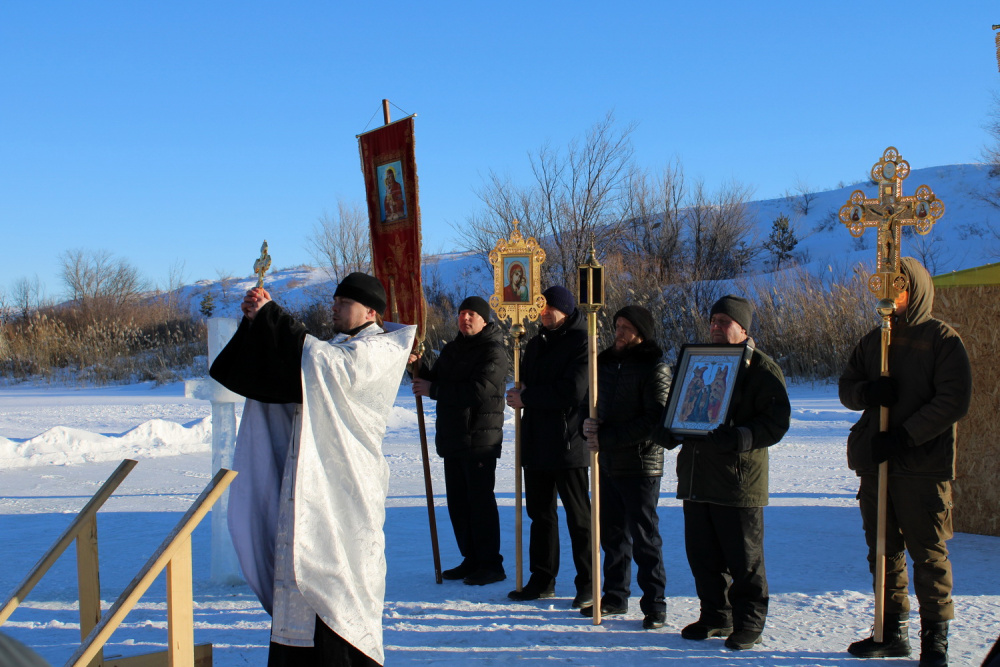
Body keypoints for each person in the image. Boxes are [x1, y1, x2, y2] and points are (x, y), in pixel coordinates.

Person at [209, 272, 415, 667]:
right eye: (334, 300)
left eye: (343, 302)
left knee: (340, 585)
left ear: (370, 311)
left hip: (346, 492)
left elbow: (331, 366)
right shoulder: (335, 347)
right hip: (307, 485)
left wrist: (274, 316)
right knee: (302, 584)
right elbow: (275, 378)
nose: (333, 307)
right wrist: (257, 324)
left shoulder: (381, 350)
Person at [839, 257, 972, 667]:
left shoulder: (942, 341)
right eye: (883, 286)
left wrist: (904, 435)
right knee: (882, 549)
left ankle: (936, 640)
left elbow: (953, 400)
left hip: (922, 466)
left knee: (928, 553)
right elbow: (847, 387)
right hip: (877, 464)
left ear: (913, 289)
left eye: (897, 287)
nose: (888, 296)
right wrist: (868, 394)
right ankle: (890, 629)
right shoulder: (875, 339)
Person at [661, 295, 790, 651]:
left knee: (743, 557)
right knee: (703, 554)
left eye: (724, 322)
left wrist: (739, 438)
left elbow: (776, 422)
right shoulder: (698, 363)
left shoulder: (762, 370)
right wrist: (669, 430)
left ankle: (749, 621)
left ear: (743, 328)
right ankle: (715, 614)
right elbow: (684, 410)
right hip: (697, 475)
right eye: (713, 321)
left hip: (738, 479)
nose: (716, 328)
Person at [580, 305, 671, 629]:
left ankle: (655, 605)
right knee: (612, 535)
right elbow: (587, 406)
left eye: (626, 327)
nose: (618, 332)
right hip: (607, 463)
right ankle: (616, 595)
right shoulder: (602, 364)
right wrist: (586, 428)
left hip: (640, 464)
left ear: (641, 333)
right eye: (617, 325)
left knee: (644, 537)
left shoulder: (655, 368)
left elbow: (653, 420)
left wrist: (607, 437)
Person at [411, 296, 509, 586]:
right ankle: (472, 559)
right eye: (462, 313)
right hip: (453, 439)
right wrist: (417, 365)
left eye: (471, 314)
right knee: (459, 504)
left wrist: (434, 388)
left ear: (484, 319)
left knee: (480, 504)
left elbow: (476, 391)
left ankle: (491, 564)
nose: (465, 318)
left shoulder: (494, 351)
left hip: (480, 440)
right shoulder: (453, 349)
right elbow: (434, 379)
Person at [505, 285, 592, 608]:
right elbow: (528, 380)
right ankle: (542, 579)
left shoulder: (583, 341)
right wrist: (521, 390)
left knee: (578, 517)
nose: (542, 313)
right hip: (537, 440)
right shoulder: (536, 341)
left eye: (548, 308)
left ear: (565, 309)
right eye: (540, 307)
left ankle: (587, 583)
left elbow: (573, 391)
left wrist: (527, 396)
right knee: (540, 515)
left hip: (568, 442)